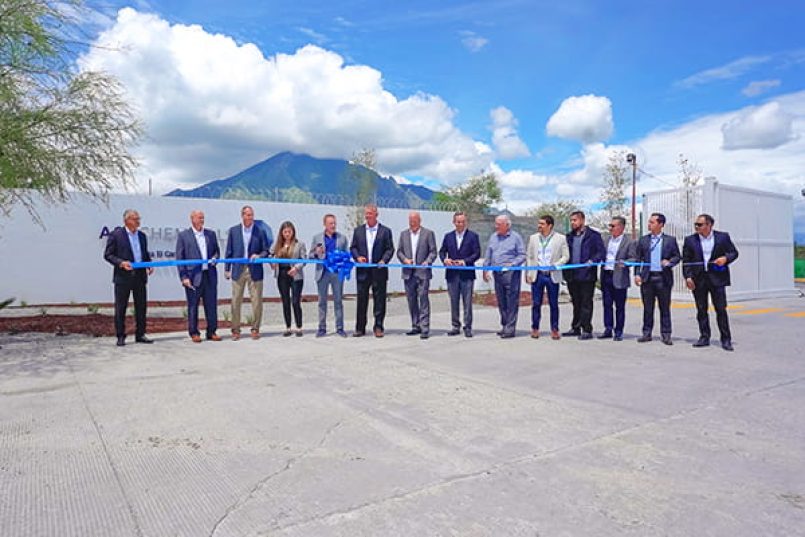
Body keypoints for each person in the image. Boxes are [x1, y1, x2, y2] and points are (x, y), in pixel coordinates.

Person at [683, 213, 740, 351]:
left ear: (709, 225)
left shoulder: (722, 237)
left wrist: (725, 259)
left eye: (700, 224)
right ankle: (704, 337)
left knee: (721, 309)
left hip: (717, 279)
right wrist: (688, 277)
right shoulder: (690, 240)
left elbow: (734, 252)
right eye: (695, 224)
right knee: (701, 309)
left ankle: (726, 339)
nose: (697, 227)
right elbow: (686, 261)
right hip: (699, 279)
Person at [103, 209, 154, 347]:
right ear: (127, 220)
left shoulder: (142, 236)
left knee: (141, 307)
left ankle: (140, 334)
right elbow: (108, 255)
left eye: (139, 218)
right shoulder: (116, 235)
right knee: (121, 308)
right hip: (123, 277)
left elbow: (144, 253)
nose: (138, 221)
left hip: (139, 276)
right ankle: (120, 336)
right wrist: (121, 263)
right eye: (135, 219)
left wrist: (149, 264)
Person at [634, 212, 681, 345]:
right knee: (647, 308)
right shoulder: (643, 240)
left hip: (663, 278)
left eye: (652, 222)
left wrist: (669, 262)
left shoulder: (670, 240)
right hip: (647, 278)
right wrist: (637, 274)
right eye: (649, 222)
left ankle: (666, 334)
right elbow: (638, 259)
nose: (649, 224)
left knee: (664, 307)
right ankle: (646, 333)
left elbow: (677, 256)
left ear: (661, 224)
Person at [224, 205, 270, 340]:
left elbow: (266, 250)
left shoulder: (260, 231)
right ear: (242, 215)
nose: (250, 217)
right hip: (238, 269)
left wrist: (259, 256)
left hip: (255, 270)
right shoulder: (234, 231)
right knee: (236, 301)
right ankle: (236, 330)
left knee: (256, 301)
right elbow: (229, 251)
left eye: (252, 215)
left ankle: (255, 329)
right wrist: (227, 268)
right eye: (248, 215)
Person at [175, 210, 221, 343]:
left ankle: (212, 331)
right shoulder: (184, 236)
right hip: (193, 277)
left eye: (203, 218)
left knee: (211, 305)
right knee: (193, 306)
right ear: (192, 219)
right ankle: (194, 332)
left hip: (209, 275)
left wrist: (215, 258)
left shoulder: (210, 234)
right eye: (199, 218)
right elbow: (180, 258)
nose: (202, 220)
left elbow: (217, 252)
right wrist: (184, 277)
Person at [350, 204, 394, 337]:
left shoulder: (385, 231)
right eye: (366, 213)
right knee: (361, 300)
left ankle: (379, 326)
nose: (367, 216)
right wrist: (357, 257)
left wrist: (383, 260)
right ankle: (360, 328)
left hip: (379, 271)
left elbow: (390, 249)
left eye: (370, 213)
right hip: (363, 272)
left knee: (379, 300)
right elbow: (353, 248)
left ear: (376, 214)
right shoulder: (358, 231)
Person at [563, 211, 606, 340]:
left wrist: (592, 261)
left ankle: (587, 329)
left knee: (586, 303)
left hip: (587, 276)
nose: (572, 223)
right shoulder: (569, 237)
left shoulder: (593, 236)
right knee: (575, 302)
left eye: (574, 220)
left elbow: (601, 253)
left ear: (582, 220)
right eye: (571, 220)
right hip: (572, 275)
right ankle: (575, 327)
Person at [525, 214, 569, 340]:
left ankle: (555, 329)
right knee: (536, 303)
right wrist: (529, 272)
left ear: (550, 225)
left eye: (542, 224)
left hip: (552, 275)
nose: (539, 226)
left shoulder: (560, 238)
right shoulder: (533, 238)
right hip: (537, 275)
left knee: (553, 304)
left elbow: (566, 256)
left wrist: (556, 265)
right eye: (539, 223)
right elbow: (529, 256)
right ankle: (535, 328)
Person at [439, 211, 481, 338]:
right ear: (454, 222)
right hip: (452, 274)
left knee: (467, 302)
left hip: (466, 274)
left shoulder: (473, 236)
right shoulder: (448, 236)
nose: (460, 224)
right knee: (454, 301)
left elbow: (477, 253)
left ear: (466, 222)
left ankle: (467, 327)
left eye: (463, 221)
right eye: (458, 222)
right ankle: (455, 326)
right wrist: (445, 260)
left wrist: (465, 262)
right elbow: (442, 251)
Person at [483, 215, 526, 338]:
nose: (495, 226)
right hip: (497, 273)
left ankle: (510, 328)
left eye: (498, 224)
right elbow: (488, 254)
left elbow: (522, 255)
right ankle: (505, 325)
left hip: (511, 274)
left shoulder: (516, 237)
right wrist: (485, 270)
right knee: (501, 301)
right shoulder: (493, 237)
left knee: (511, 301)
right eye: (495, 224)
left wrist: (512, 264)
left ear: (507, 225)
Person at [397, 211, 438, 339]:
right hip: (408, 273)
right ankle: (416, 325)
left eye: (414, 220)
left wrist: (427, 261)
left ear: (420, 221)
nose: (412, 222)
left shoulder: (428, 234)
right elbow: (399, 252)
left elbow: (433, 251)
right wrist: (405, 260)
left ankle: (425, 328)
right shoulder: (403, 234)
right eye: (410, 220)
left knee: (423, 299)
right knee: (411, 300)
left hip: (422, 273)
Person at [310, 214, 349, 338]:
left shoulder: (342, 238)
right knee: (322, 301)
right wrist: (317, 253)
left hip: (337, 274)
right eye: (330, 223)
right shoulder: (317, 238)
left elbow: (347, 255)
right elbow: (310, 255)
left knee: (338, 301)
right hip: (323, 273)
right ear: (325, 224)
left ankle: (340, 327)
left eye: (334, 223)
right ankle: (322, 328)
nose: (333, 225)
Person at [599, 216, 635, 341]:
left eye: (613, 226)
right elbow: (600, 254)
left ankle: (618, 331)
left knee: (620, 306)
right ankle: (608, 328)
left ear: (621, 227)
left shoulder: (629, 241)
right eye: (610, 226)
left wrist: (625, 262)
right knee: (607, 304)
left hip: (620, 277)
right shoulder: (605, 240)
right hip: (606, 275)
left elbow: (633, 258)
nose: (610, 228)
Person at [271, 221, 306, 337]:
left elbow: (304, 259)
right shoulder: (277, 245)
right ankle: (288, 327)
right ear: (281, 233)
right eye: (285, 232)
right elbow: (270, 255)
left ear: (293, 232)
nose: (287, 234)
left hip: (295, 275)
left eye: (289, 232)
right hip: (282, 275)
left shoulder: (299, 244)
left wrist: (296, 268)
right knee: (285, 301)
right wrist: (272, 263)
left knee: (295, 301)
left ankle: (299, 327)